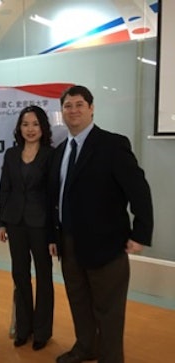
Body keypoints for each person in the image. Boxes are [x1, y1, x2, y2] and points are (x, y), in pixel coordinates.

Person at [48, 85, 153, 363]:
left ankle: (110, 358)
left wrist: (141, 232)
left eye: (80, 104)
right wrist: (53, 237)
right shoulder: (60, 152)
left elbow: (139, 190)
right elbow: (56, 198)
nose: (73, 111)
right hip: (69, 242)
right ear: (62, 111)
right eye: (68, 106)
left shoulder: (113, 144)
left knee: (109, 309)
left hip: (106, 243)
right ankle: (85, 348)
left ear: (92, 108)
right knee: (79, 301)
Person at [0, 105, 54, 351]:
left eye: (35, 124)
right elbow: (5, 189)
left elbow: (54, 197)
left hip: (41, 225)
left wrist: (54, 233)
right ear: (19, 128)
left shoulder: (51, 155)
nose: (30, 129)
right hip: (15, 223)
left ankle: (42, 331)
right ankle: (23, 328)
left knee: (44, 277)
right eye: (25, 124)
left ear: (43, 128)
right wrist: (1, 222)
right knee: (20, 276)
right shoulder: (11, 154)